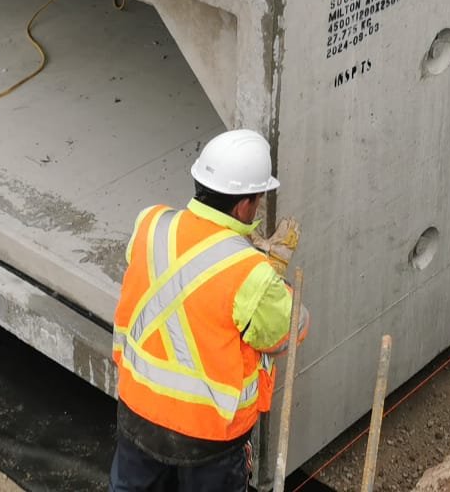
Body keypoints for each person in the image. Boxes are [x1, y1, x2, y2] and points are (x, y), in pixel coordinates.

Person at [110, 128, 308, 492]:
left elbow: (179, 282)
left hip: (138, 411)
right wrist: (272, 275)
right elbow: (288, 332)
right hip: (209, 435)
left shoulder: (150, 224)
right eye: (259, 199)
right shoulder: (251, 274)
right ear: (245, 205)